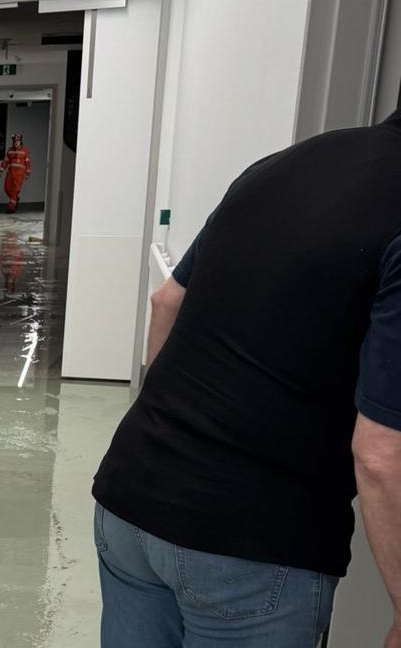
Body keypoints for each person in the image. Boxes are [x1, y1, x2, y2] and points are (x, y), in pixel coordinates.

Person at [91, 110, 401, 647]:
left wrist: (165, 432)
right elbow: (380, 454)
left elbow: (166, 302)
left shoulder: (279, 168)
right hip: (251, 544)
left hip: (130, 496)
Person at [0, 134, 32, 213]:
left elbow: (28, 163)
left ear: (20, 142)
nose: (16, 143)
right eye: (15, 141)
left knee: (14, 191)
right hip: (10, 173)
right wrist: (1, 170)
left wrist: (27, 173)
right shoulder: (10, 150)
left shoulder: (24, 151)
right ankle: (15, 198)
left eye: (18, 141)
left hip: (19, 175)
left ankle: (11, 208)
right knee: (7, 189)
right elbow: (5, 161)